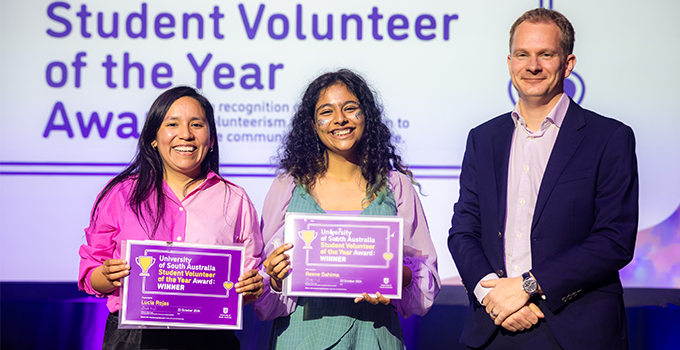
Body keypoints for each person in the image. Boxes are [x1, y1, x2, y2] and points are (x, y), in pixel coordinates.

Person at [448, 8, 638, 350]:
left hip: (576, 329)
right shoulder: (483, 138)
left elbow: (614, 239)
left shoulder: (609, 137)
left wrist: (526, 288)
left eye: (545, 54)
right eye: (523, 54)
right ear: (509, 62)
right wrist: (494, 295)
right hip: (494, 328)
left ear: (568, 63)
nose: (532, 66)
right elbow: (463, 230)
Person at [251, 69, 440, 349]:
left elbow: (425, 282)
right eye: (326, 112)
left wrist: (396, 276)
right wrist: (276, 279)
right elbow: (265, 296)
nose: (340, 119)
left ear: (367, 117)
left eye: (350, 108)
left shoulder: (396, 186)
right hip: (300, 340)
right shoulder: (287, 186)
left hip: (374, 338)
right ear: (313, 125)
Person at [78, 86, 264, 350]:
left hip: (209, 337)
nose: (185, 135)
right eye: (172, 124)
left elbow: (246, 282)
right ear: (154, 137)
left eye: (197, 124)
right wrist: (107, 275)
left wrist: (251, 287)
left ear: (211, 139)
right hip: (135, 337)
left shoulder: (234, 199)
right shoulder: (120, 195)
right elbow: (89, 274)